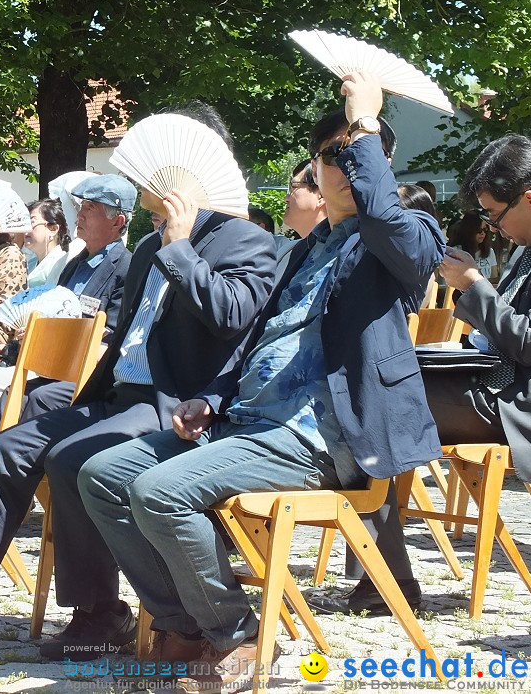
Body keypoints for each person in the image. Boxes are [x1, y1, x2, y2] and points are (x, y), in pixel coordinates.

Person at [76, 73, 444, 693]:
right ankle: (181, 626)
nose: (344, 163)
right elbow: (255, 342)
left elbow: (384, 213)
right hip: (250, 425)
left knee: (162, 491)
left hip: (320, 438)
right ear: (316, 168)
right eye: (332, 154)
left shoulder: (407, 238)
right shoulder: (301, 251)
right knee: (103, 475)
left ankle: (236, 633)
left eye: (356, 151)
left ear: (377, 158)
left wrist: (366, 120)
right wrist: (213, 397)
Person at [0, 106, 276, 656]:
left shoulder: (243, 241)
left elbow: (234, 317)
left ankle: (100, 614)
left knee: (71, 457)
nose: (142, 177)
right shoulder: (146, 246)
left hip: (175, 405)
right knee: (2, 449)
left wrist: (182, 248)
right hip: (118, 395)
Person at [0, 175, 136, 432]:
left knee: (34, 398)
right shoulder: (75, 264)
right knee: (14, 392)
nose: (80, 215)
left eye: (91, 208)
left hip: (85, 375)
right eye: (81, 206)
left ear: (117, 221)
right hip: (48, 366)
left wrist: (43, 337)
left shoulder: (126, 269)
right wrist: (14, 347)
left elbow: (107, 339)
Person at [427, 134, 531, 485]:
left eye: (495, 215)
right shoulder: (524, 250)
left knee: (382, 394)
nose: (493, 226)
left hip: (514, 403)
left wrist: (474, 285)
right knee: (384, 382)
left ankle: (368, 520)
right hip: (493, 385)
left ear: (528, 199)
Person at [25, 199, 72, 288]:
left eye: (31, 223)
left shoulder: (61, 262)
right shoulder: (30, 262)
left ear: (53, 229)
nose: (26, 229)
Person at [450, 210, 498, 283]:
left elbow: (495, 278)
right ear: (469, 230)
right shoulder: (456, 252)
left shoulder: (489, 252)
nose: (482, 233)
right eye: (479, 230)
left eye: (485, 230)